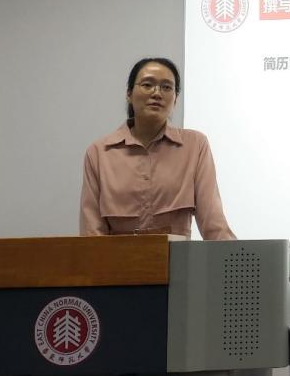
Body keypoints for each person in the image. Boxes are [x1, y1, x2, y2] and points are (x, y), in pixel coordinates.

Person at [79, 57, 236, 240]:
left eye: (166, 87)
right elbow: (92, 232)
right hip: (117, 259)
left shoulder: (195, 146)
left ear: (175, 99)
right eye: (147, 85)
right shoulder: (99, 153)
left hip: (177, 258)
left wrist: (240, 257)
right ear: (129, 93)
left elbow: (214, 224)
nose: (157, 93)